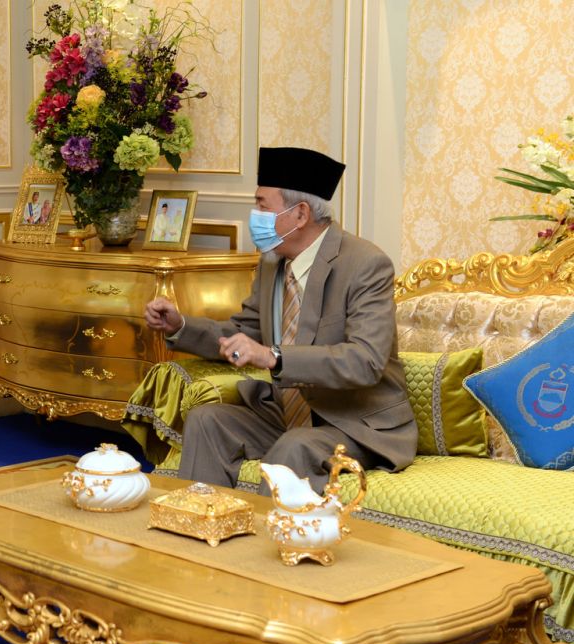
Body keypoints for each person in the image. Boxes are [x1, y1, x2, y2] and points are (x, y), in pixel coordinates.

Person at [143, 147, 417, 494]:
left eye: (262, 205)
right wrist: (180, 326)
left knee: (296, 446)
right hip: (286, 415)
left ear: (300, 214)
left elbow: (366, 361)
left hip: (355, 423)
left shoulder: (365, 264)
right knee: (208, 420)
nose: (254, 215)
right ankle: (201, 523)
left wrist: (275, 357)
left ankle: (264, 543)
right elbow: (242, 334)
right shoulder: (273, 263)